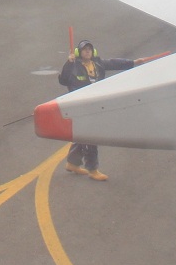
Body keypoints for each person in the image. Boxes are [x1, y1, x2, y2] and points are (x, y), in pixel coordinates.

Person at [57, 40, 135, 181]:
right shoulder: (73, 66)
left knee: (84, 135)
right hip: (80, 106)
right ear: (78, 52)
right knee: (91, 137)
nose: (87, 51)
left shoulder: (98, 63)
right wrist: (68, 63)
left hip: (94, 105)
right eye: (84, 49)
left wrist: (133, 63)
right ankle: (93, 169)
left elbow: (114, 63)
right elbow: (63, 80)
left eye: (89, 49)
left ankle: (72, 163)